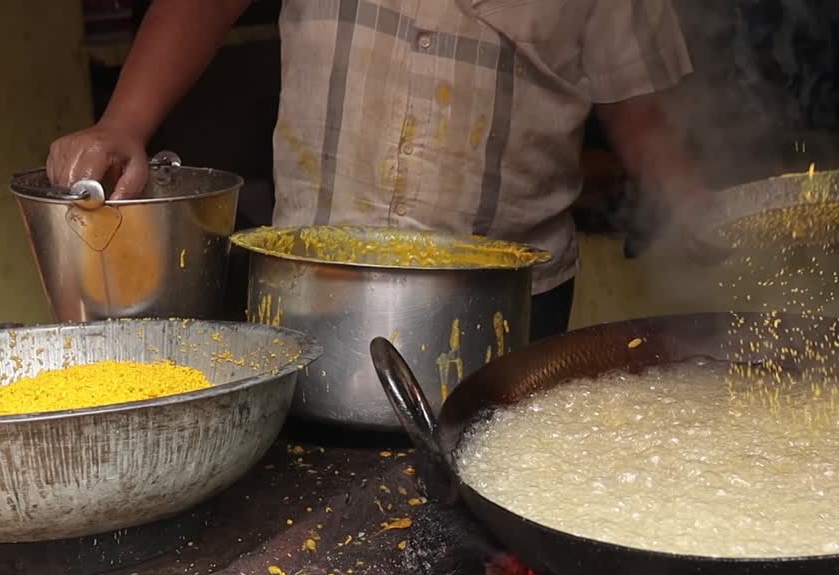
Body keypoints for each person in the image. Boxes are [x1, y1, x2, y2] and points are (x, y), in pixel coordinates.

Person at [48, 0, 724, 341]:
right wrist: (124, 123)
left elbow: (637, 100)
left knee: (490, 520)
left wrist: (688, 202)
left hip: (510, 304)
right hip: (310, 282)